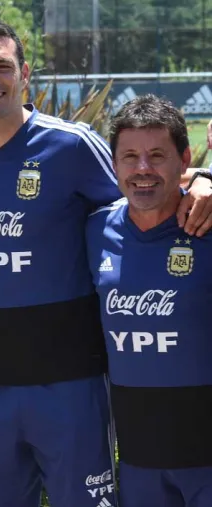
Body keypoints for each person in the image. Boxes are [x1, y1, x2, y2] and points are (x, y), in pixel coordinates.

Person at [0, 21, 212, 507]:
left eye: (2, 67)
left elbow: (146, 191)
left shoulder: (70, 144)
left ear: (25, 74)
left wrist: (203, 180)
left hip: (68, 383)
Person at [87, 95, 212, 507]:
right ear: (114, 163)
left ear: (185, 159)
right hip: (140, 462)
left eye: (157, 155)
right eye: (130, 157)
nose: (143, 169)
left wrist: (209, 176)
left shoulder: (205, 221)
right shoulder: (92, 229)